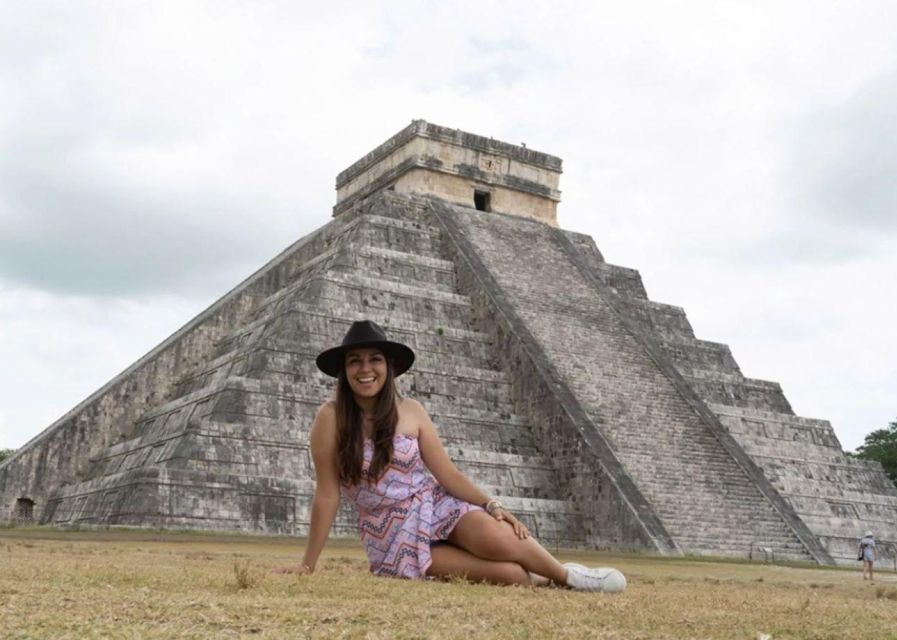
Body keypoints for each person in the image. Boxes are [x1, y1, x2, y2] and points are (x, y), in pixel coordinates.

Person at [275, 320, 626, 592]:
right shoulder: (330, 417)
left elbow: (446, 474)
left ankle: (569, 577)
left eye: (374, 359)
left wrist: (492, 505)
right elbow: (327, 494)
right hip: (392, 533)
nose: (365, 369)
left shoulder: (411, 410)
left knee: (499, 537)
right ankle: (545, 580)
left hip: (435, 505)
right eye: (355, 361)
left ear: (390, 366)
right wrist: (308, 564)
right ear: (344, 370)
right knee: (511, 575)